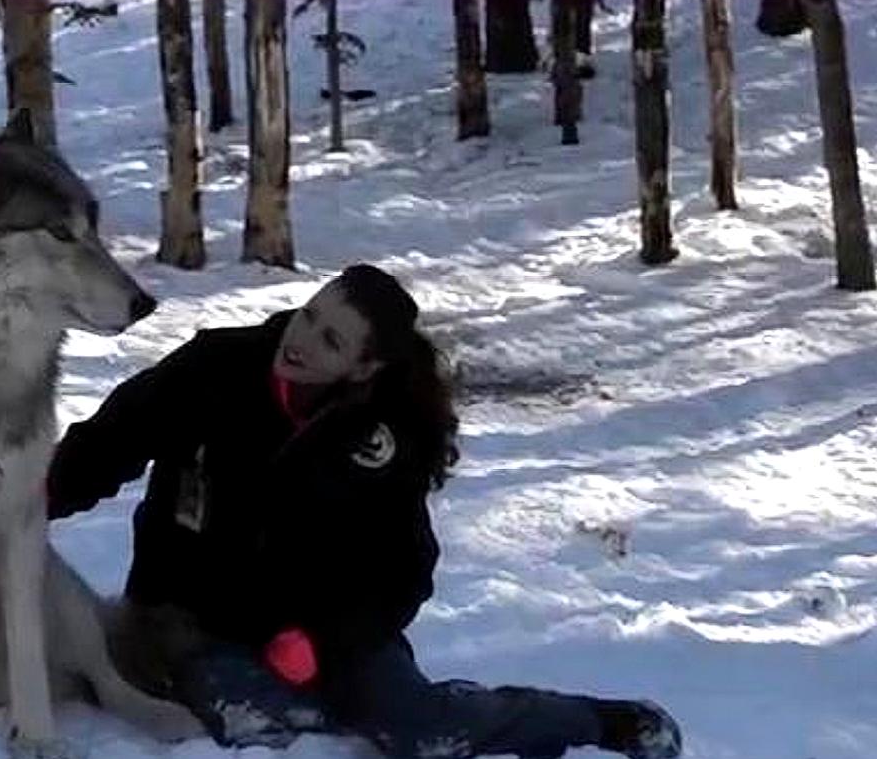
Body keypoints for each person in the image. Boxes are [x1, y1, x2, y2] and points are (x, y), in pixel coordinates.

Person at [46, 265, 682, 759]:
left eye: (330, 339)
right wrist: (20, 501)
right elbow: (105, 446)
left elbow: (403, 569)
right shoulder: (215, 368)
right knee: (275, 729)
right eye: (310, 313)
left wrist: (321, 639)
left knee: (423, 731)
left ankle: (603, 720)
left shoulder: (386, 437)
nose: (302, 338)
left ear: (363, 366)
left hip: (326, 632)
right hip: (193, 624)